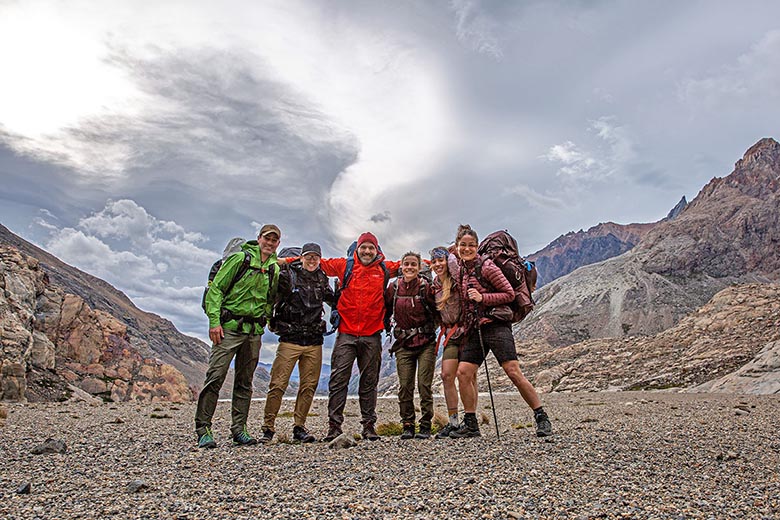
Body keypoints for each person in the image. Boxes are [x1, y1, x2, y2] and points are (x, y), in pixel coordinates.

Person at [449, 225, 553, 439]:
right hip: (475, 327)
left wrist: (482, 298)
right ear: (458, 247)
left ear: (477, 247)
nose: (467, 249)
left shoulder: (487, 267)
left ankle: (541, 417)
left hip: (496, 325)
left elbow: (508, 294)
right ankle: (471, 424)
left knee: (513, 371)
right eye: (463, 245)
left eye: (471, 245)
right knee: (464, 373)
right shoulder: (461, 270)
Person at [195, 224, 281, 448]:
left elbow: (270, 299)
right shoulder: (240, 259)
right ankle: (203, 429)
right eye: (267, 238)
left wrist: (268, 320)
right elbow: (216, 290)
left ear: (277, 243)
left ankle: (239, 430)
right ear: (259, 238)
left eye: (274, 240)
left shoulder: (274, 269)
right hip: (229, 328)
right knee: (215, 377)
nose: (270, 243)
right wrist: (214, 322)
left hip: (253, 332)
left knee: (245, 382)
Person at [319, 232, 400, 441]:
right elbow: (315, 261)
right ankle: (334, 427)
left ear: (376, 250)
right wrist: (282, 260)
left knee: (370, 381)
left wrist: (447, 256)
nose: (367, 251)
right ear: (357, 249)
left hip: (372, 334)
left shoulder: (384, 269)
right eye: (363, 247)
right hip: (346, 333)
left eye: (370, 248)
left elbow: (412, 263)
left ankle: (369, 426)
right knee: (338, 380)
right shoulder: (344, 266)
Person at [261, 242, 335, 444]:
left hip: (314, 341)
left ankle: (299, 427)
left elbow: (333, 299)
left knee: (309, 386)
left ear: (319, 260)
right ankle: (268, 428)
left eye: (315, 257)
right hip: (289, 340)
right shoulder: (287, 277)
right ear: (300, 258)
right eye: (308, 256)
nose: (312, 260)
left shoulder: (322, 279)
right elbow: (269, 276)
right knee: (278, 384)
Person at [384, 251, 437, 440]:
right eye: (406, 264)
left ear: (419, 267)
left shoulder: (425, 287)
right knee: (405, 386)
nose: (409, 267)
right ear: (401, 266)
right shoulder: (394, 288)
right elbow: (385, 308)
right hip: (403, 344)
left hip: (426, 343)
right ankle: (407, 424)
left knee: (424, 385)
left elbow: (437, 310)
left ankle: (425, 425)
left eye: (413, 264)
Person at [428, 246, 476, 439]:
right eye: (435, 261)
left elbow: (455, 267)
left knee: (467, 376)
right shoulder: (435, 285)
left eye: (441, 260)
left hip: (466, 331)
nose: (439, 264)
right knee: (447, 375)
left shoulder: (457, 278)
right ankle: (454, 421)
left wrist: (452, 254)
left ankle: (470, 420)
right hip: (449, 334)